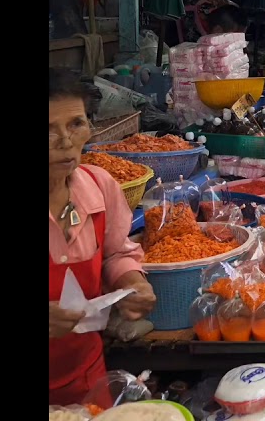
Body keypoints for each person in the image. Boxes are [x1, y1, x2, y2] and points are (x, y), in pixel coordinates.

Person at [49, 69, 156, 405]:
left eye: (76, 124)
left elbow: (116, 252)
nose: (66, 142)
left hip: (86, 379)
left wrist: (132, 282)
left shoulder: (98, 186)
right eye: (48, 130)